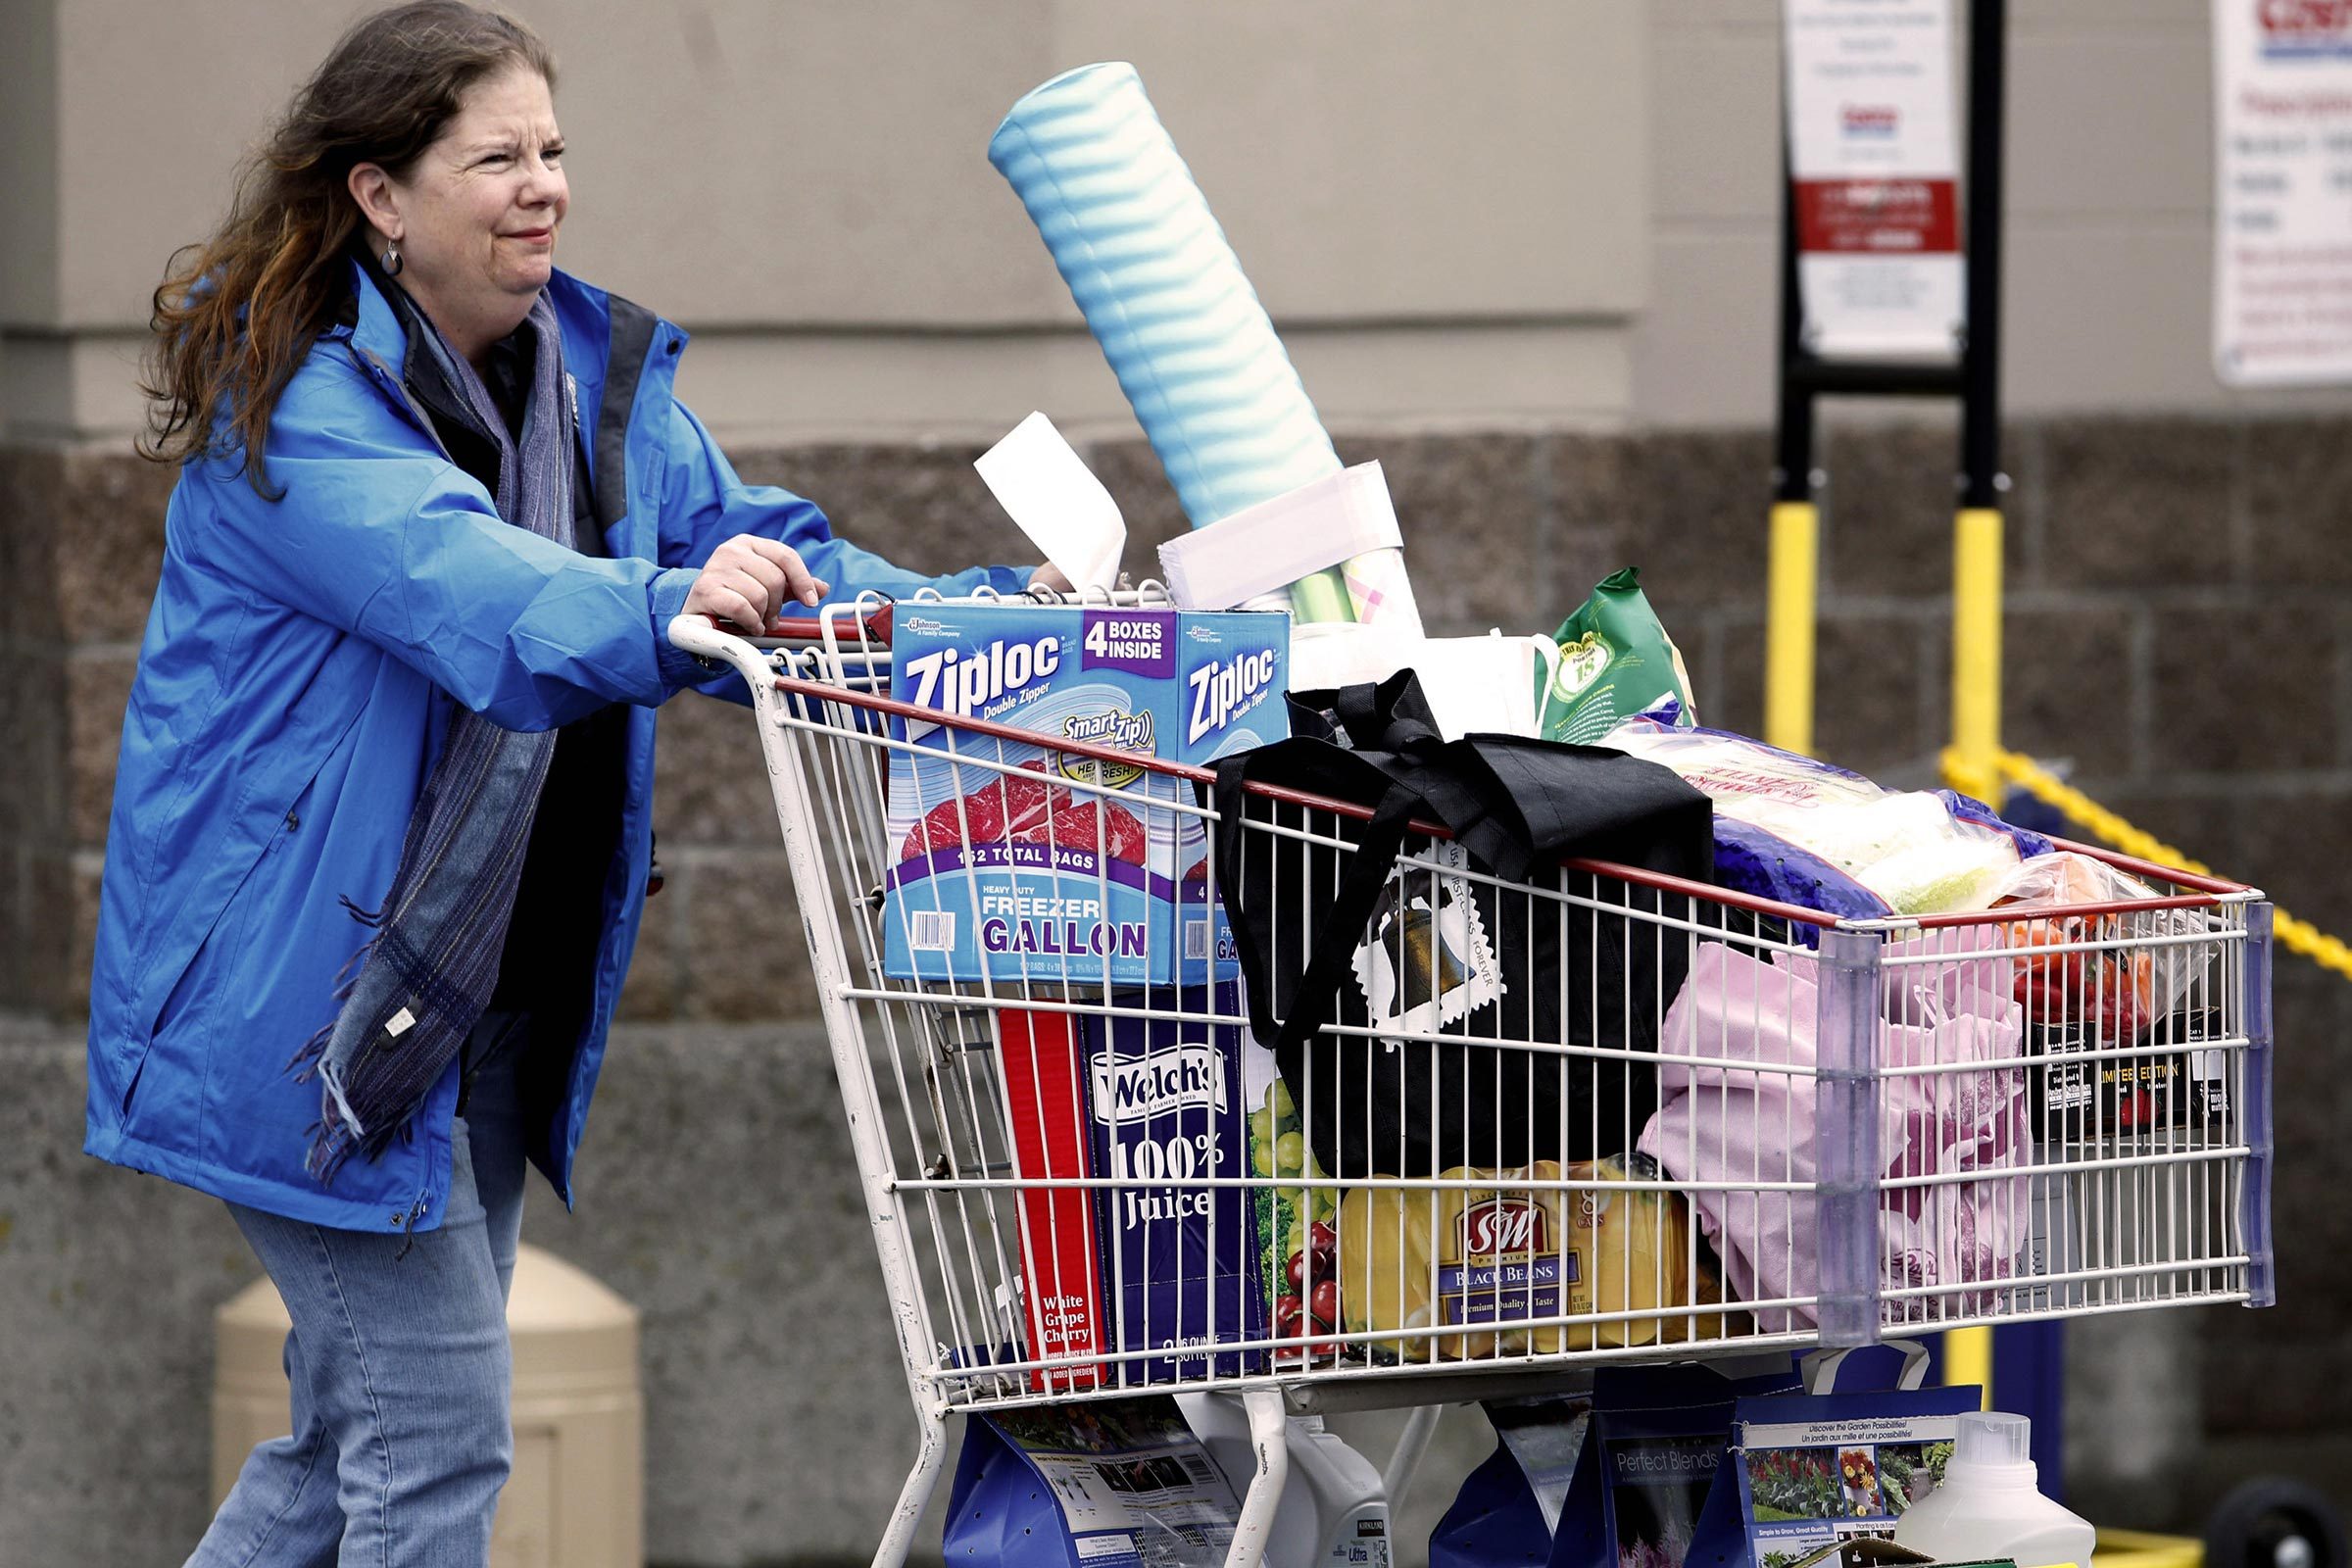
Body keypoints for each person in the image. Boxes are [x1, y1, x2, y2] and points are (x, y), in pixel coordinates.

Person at [87, 5, 1061, 1561]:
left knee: (348, 1452)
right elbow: (466, 584)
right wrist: (665, 608)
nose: (542, 184)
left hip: (474, 1003)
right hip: (311, 1020)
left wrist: (986, 625)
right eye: (495, 158)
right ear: (379, 197)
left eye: (553, 150)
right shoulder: (297, 412)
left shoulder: (583, 380)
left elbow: (772, 547)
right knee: (436, 1447)